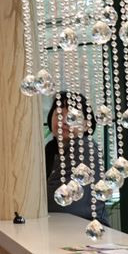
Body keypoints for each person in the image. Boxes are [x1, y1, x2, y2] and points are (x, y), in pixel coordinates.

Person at [45, 91, 109, 224]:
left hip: (87, 230)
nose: (65, 121)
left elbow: (64, 203)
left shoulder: (85, 149)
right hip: (61, 227)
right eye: (59, 114)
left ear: (86, 125)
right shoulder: (49, 150)